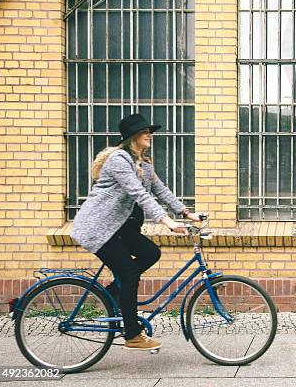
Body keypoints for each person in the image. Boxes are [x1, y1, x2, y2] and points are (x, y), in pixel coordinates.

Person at [70, 113, 203, 350]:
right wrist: (166, 221)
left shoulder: (145, 163)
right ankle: (132, 333)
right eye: (144, 132)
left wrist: (185, 213)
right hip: (98, 228)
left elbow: (161, 190)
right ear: (133, 137)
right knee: (130, 273)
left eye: (149, 131)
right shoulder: (119, 161)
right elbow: (139, 194)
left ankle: (113, 291)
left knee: (151, 253)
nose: (149, 134)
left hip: (120, 227)